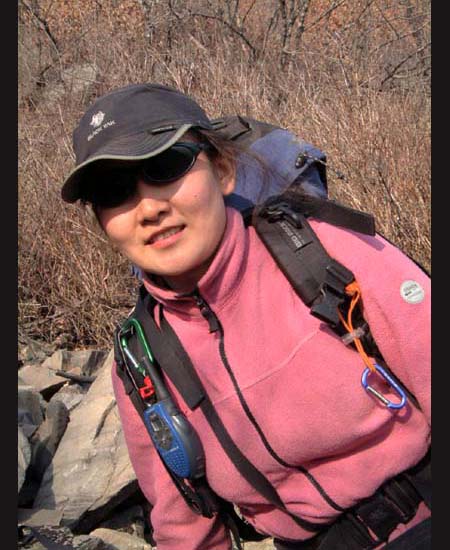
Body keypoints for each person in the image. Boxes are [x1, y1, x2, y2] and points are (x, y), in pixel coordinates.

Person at [61, 83, 431, 549]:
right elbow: (186, 526)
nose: (150, 208)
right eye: (113, 191)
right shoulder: (141, 359)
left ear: (222, 170)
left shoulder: (325, 254)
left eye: (166, 166)